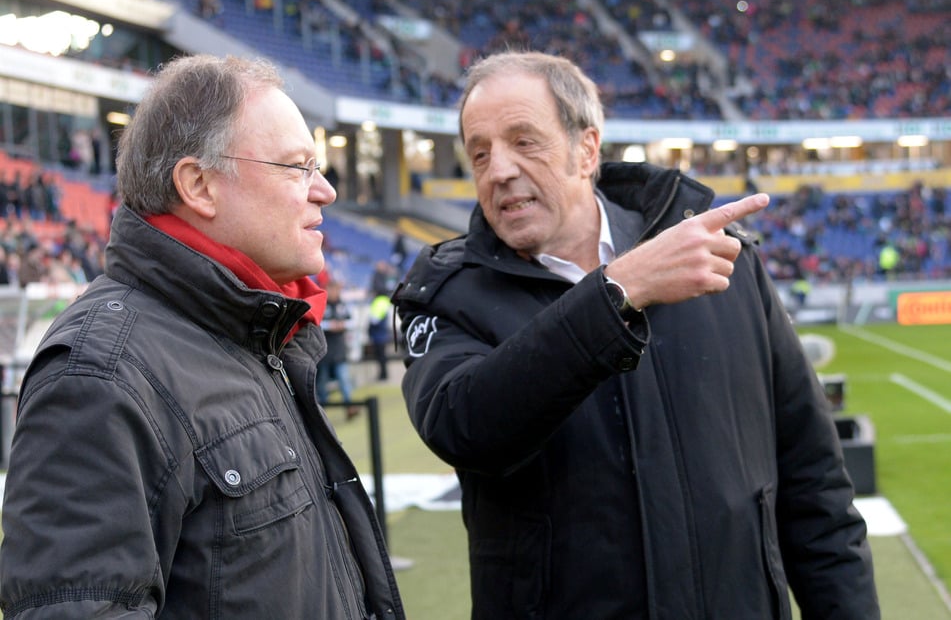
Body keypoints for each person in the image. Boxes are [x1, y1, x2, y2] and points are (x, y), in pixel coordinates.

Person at [393, 51, 878, 619]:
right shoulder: (447, 294)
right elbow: (465, 428)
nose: (498, 170)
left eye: (524, 141)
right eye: (480, 153)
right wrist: (617, 292)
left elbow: (815, 489)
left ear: (587, 150)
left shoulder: (723, 265)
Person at [0, 54, 405, 620]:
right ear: (199, 186)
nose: (326, 192)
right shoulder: (99, 375)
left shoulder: (250, 334)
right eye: (297, 167)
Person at [317, 279, 358, 418]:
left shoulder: (343, 305)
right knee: (322, 383)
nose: (334, 292)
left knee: (344, 379)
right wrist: (330, 325)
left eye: (336, 289)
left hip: (340, 351)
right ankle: (321, 413)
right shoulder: (321, 304)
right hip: (323, 352)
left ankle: (349, 407)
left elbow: (352, 321)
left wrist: (342, 325)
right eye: (331, 289)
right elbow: (315, 323)